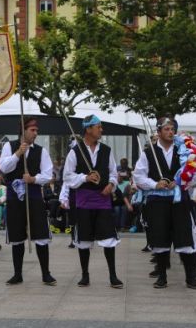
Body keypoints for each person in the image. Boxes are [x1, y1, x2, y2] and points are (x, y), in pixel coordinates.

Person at [132, 117, 196, 290]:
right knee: (160, 237)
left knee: (184, 236)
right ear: (158, 132)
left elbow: (194, 175)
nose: (170, 132)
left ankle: (191, 277)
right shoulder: (148, 153)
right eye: (166, 129)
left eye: (172, 129)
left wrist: (179, 183)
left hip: (179, 200)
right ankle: (162, 276)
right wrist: (155, 184)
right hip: (157, 201)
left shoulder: (185, 151)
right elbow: (138, 176)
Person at [63, 115, 123, 288]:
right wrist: (85, 177)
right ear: (88, 129)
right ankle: (85, 275)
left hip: (103, 199)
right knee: (84, 238)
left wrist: (111, 185)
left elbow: (113, 172)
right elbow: (67, 176)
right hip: (84, 200)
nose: (101, 130)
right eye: (98, 127)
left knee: (108, 237)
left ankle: (113, 275)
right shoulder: (75, 151)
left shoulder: (106, 150)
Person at [0, 117, 56, 286]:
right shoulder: (9, 146)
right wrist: (18, 154)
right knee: (16, 234)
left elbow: (48, 174)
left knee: (40, 233)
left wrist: (33, 179)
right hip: (14, 197)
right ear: (23, 130)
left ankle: (46, 273)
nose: (35, 133)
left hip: (34, 195)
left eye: (36, 130)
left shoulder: (41, 151)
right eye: (32, 130)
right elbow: (3, 167)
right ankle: (17, 274)